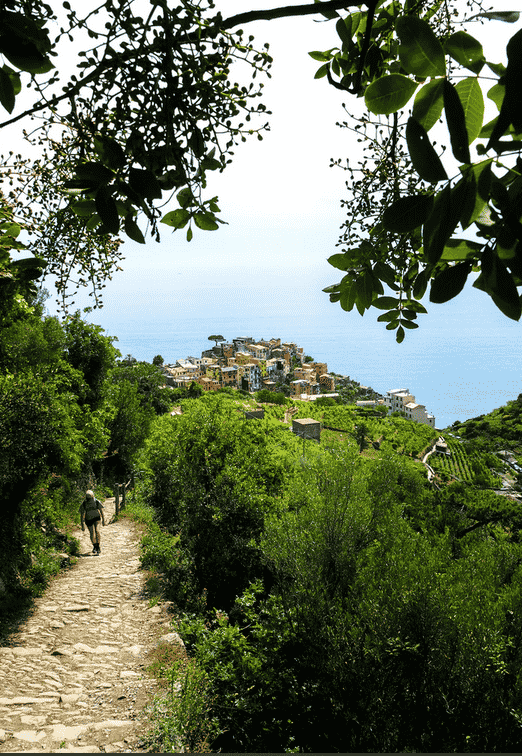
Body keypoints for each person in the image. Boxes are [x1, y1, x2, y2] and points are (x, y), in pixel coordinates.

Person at [80, 490, 106, 555]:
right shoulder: (84, 503)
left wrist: (103, 520)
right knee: (92, 533)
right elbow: (82, 514)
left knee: (97, 531)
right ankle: (95, 546)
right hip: (88, 519)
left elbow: (101, 511)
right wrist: (82, 525)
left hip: (96, 518)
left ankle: (98, 545)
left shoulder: (96, 501)